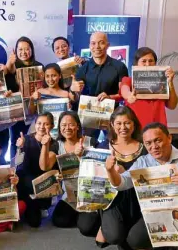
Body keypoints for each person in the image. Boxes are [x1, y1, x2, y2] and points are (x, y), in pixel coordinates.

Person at [78, 106, 146, 249]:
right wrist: (80, 158)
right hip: (112, 200)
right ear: (112, 125)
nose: (123, 127)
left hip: (138, 199)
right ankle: (106, 226)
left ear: (134, 124)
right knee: (115, 236)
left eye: (127, 123)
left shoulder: (145, 148)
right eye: (119, 123)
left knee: (134, 241)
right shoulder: (103, 146)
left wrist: (125, 173)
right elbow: (91, 176)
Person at [106, 122, 178, 249]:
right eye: (148, 143)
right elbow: (122, 183)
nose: (154, 147)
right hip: (157, 213)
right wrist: (110, 171)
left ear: (169, 138)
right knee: (135, 240)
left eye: (158, 140)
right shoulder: (143, 161)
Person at [51, 111, 98, 228]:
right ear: (59, 127)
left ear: (77, 126)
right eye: (63, 125)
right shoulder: (57, 145)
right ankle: (79, 216)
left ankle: (87, 216)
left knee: (87, 227)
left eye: (71, 124)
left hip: (89, 193)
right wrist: (58, 174)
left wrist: (83, 155)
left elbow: (100, 166)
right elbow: (46, 167)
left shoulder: (91, 142)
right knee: (59, 220)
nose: (67, 128)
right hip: (70, 195)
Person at [15, 112, 59, 227]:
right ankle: (27, 203)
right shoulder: (26, 139)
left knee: (35, 222)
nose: (42, 127)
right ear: (34, 125)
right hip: (26, 183)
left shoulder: (54, 144)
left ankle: (41, 205)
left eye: (46, 124)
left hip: (42, 184)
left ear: (52, 126)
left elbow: (43, 166)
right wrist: (19, 148)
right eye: (39, 123)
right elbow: (17, 163)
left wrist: (45, 145)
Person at [4, 36, 44, 159]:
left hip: (34, 109)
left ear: (31, 50)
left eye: (27, 49)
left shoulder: (39, 66)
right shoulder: (12, 67)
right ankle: (13, 167)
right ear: (16, 51)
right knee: (15, 140)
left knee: (33, 139)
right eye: (20, 49)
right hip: (17, 109)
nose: (24, 52)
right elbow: (5, 84)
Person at [120, 47, 177, 127]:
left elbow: (172, 106)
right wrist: (129, 95)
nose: (147, 64)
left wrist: (170, 82)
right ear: (136, 64)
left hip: (158, 128)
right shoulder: (128, 80)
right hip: (136, 130)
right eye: (144, 61)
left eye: (151, 61)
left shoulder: (162, 82)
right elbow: (124, 89)